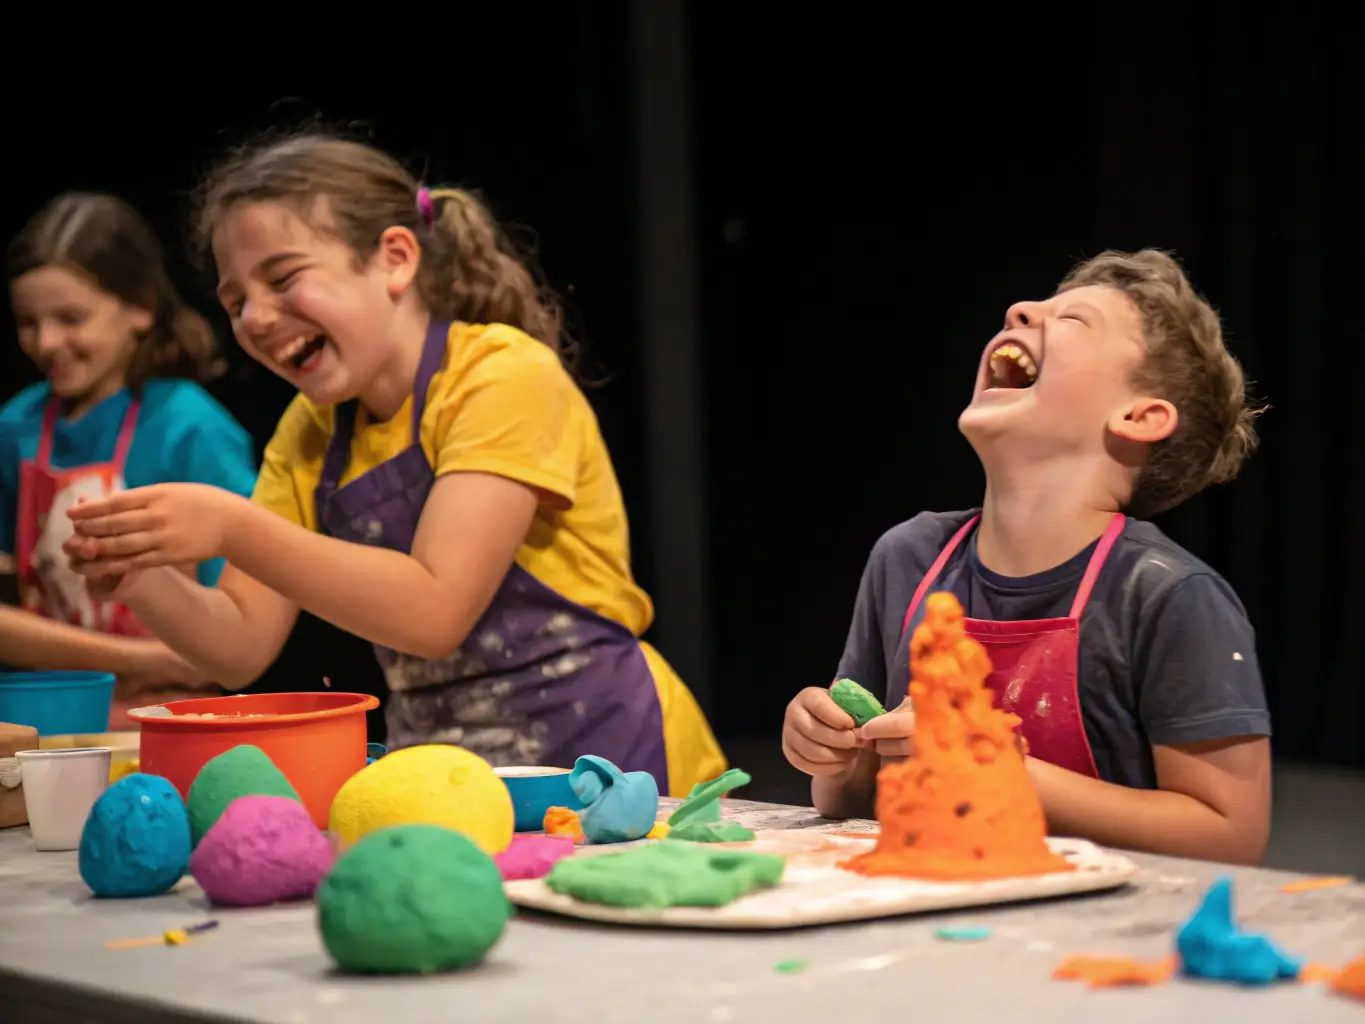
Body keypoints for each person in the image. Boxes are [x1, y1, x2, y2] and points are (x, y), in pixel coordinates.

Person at [61, 134, 726, 796]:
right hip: (448, 774)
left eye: (284, 278)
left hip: (608, 762)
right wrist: (140, 577)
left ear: (395, 259)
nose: (257, 318)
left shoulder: (501, 376)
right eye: (235, 302)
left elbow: (436, 611)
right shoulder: (310, 429)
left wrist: (234, 528)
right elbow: (240, 647)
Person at [781, 250, 1272, 865]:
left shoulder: (1168, 595)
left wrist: (999, 767)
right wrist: (832, 753)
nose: (1019, 310)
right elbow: (854, 800)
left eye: (1074, 320)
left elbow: (1230, 836)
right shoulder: (908, 558)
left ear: (1139, 417)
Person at [1, 193, 257, 724]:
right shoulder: (15, 427)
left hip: (174, 721)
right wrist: (145, 659)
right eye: (28, 322)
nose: (47, 342)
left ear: (141, 307)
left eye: (71, 318)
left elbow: (238, 630)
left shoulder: (189, 428)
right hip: (47, 716)